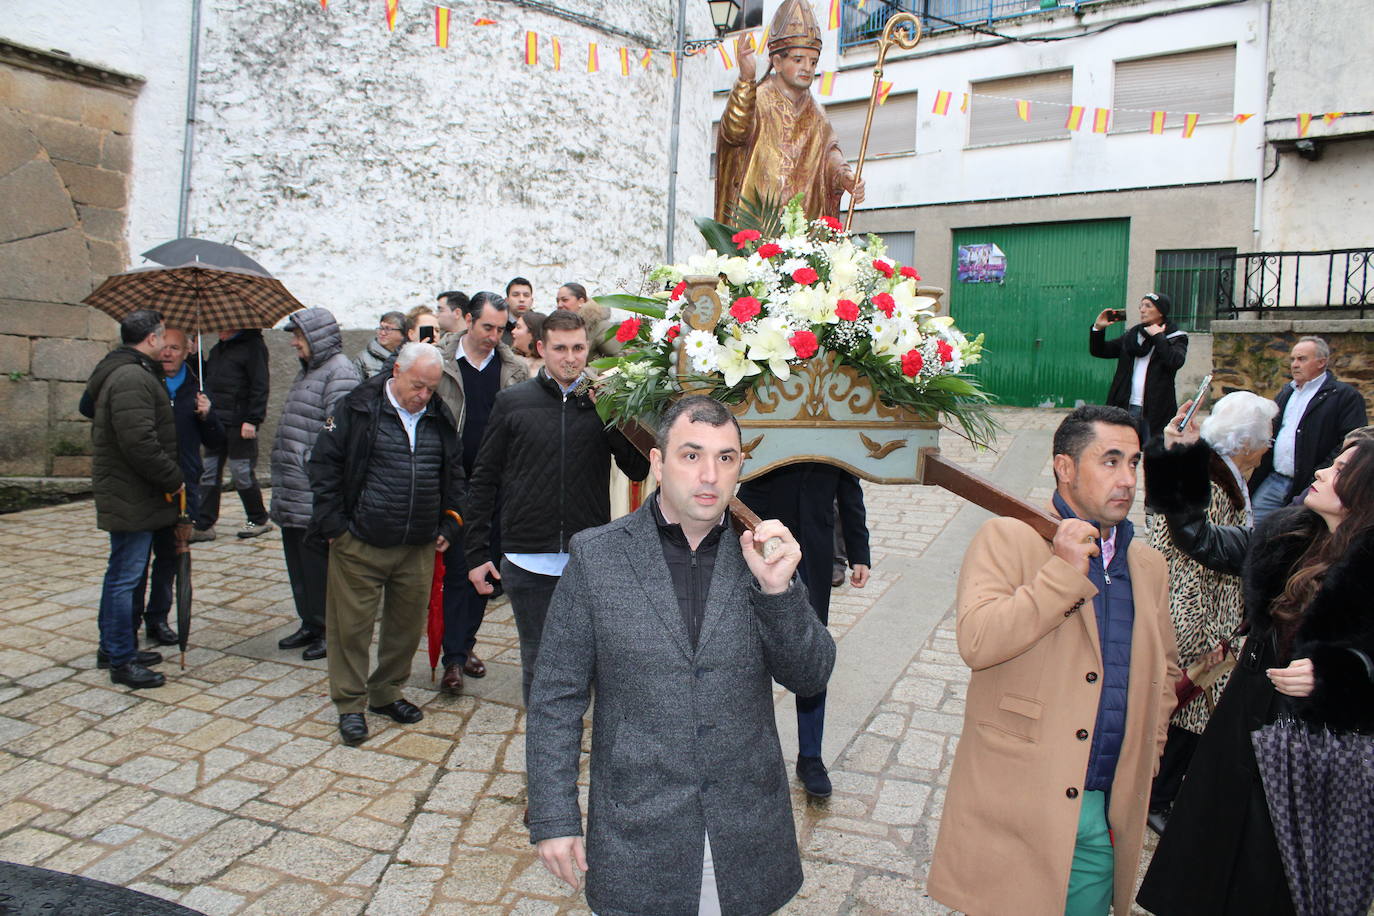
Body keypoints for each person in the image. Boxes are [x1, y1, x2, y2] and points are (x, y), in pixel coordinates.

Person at [526, 395, 836, 915]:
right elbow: (557, 696)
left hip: (744, 823)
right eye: (691, 456)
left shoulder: (763, 554)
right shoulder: (597, 556)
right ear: (657, 462)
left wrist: (779, 596)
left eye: (726, 458)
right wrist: (553, 817)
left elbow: (810, 676)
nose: (710, 475)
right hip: (637, 825)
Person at [928, 404, 1180, 916]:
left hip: (1104, 804)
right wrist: (1062, 573)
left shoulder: (1147, 564)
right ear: (1065, 467)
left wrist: (1146, 758)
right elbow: (978, 640)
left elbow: (1166, 672)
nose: (1127, 479)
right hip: (1022, 801)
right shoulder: (1010, 539)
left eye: (1134, 463)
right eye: (1109, 461)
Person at [1136, 439, 1374, 916]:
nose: (1323, 471)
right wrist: (1184, 458)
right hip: (1241, 728)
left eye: (1340, 468)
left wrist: (1337, 675)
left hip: (1311, 757)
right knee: (1211, 862)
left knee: (1269, 879)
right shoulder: (1289, 536)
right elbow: (1197, 538)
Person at [463, 309, 649, 706]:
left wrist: (614, 414)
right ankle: (546, 763)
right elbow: (483, 481)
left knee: (594, 668)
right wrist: (477, 553)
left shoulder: (604, 404)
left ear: (589, 349)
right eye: (560, 348)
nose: (570, 357)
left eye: (578, 348)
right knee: (540, 667)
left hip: (587, 560)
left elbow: (638, 469)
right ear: (542, 348)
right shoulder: (512, 403)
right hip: (528, 561)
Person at [307, 342, 464, 746]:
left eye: (431, 388)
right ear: (396, 370)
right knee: (351, 629)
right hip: (360, 542)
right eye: (417, 386)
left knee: (404, 628)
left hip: (417, 545)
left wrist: (449, 521)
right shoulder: (357, 408)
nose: (423, 395)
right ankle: (349, 704)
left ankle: (386, 692)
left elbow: (454, 473)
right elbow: (324, 465)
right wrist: (335, 527)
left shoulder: (437, 415)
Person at [1141, 391, 1278, 834]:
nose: (1271, 445)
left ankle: (1158, 793)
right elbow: (1190, 544)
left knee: (1184, 707)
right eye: (1267, 437)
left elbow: (1156, 521)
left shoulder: (1215, 469)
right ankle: (1157, 798)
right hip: (1197, 609)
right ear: (1247, 443)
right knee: (1188, 709)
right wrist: (1210, 631)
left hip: (1191, 603)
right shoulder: (1216, 479)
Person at [736, 464, 869, 797]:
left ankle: (811, 756)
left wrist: (859, 551)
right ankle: (748, 753)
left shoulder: (840, 417)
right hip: (758, 541)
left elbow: (849, 486)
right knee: (749, 649)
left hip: (814, 550)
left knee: (809, 651)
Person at [433, 292, 528, 694]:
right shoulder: (439, 361)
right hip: (452, 484)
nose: (494, 336)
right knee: (457, 570)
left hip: (496, 487)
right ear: (468, 320)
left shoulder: (514, 369)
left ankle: (463, 645)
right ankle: (453, 658)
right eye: (487, 327)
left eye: (501, 329)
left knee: (482, 571)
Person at [84, 309, 184, 689]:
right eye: (162, 337)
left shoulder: (121, 368)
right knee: (125, 577)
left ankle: (114, 646)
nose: (164, 344)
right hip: (132, 492)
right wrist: (172, 478)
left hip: (131, 491)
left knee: (124, 574)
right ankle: (121, 659)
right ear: (153, 338)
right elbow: (139, 441)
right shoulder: (130, 376)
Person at [714, 0, 864, 223]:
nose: (807, 68)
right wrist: (746, 80)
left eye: (813, 62)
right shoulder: (757, 98)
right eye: (798, 60)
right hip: (757, 225)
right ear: (777, 61)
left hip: (802, 229)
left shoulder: (817, 114)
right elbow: (735, 132)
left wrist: (844, 177)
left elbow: (829, 154)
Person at [269, 307, 362, 662]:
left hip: (312, 490)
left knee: (320, 566)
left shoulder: (338, 373)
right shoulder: (308, 370)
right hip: (293, 489)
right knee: (298, 562)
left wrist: (309, 464)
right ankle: (310, 621)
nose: (294, 343)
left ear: (316, 338)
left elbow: (336, 434)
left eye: (299, 336)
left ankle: (329, 629)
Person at [130, 328, 225, 647]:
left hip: (184, 485)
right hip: (148, 485)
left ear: (188, 351)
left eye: (176, 348)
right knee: (137, 561)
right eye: (164, 347)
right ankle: (129, 622)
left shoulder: (196, 386)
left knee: (169, 559)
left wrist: (207, 415)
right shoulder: (145, 381)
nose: (168, 353)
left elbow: (215, 441)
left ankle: (158, 619)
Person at [1247, 336, 1367, 521]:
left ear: (1322, 362)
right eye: (1292, 359)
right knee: (1253, 528)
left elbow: (1350, 442)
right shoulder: (1288, 392)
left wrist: (1321, 474)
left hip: (1313, 483)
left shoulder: (1344, 396)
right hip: (1276, 480)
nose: (1294, 364)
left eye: (1302, 359)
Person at [193, 327, 272, 541]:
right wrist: (194, 356)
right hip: (215, 421)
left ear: (236, 326)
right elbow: (208, 377)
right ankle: (204, 523)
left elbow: (260, 384)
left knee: (241, 473)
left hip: (240, 423)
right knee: (209, 472)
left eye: (223, 327)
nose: (218, 331)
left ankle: (258, 518)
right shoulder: (219, 349)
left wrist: (253, 420)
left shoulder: (253, 347)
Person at [1089, 292, 1189, 443]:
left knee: (1154, 453)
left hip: (1156, 409)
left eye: (1148, 306)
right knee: (1122, 449)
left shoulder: (1176, 337)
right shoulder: (1133, 336)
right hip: (1126, 405)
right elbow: (1100, 350)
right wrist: (1098, 329)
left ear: (1161, 311)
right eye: (1141, 306)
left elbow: (1174, 361)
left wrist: (1158, 337)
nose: (1142, 310)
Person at [553, 282, 622, 360]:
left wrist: (588, 371)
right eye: (557, 301)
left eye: (564, 300)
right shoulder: (557, 328)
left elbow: (616, 359)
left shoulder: (600, 327)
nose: (559, 305)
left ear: (581, 301)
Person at [355, 310, 406, 380]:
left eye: (388, 329)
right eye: (381, 328)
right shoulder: (363, 359)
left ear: (403, 333)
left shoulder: (409, 357)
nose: (382, 333)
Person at [510, 309, 545, 377]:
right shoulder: (508, 360)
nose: (513, 331)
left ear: (532, 334)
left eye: (518, 327)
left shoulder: (549, 370)